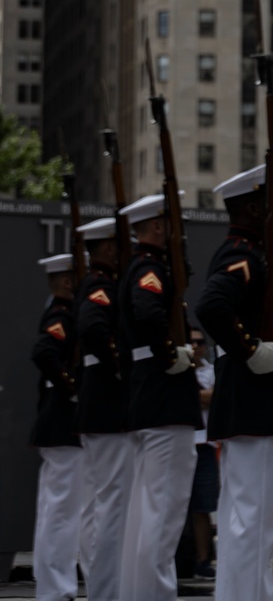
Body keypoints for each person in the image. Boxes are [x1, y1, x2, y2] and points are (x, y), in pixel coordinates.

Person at [194, 165, 273, 601]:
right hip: (253, 405)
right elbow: (212, 305)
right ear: (255, 209)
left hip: (253, 406)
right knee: (254, 524)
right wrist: (251, 348)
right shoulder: (243, 254)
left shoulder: (251, 254)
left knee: (252, 525)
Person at [117, 192, 200, 601]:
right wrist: (172, 355)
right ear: (156, 227)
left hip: (151, 402)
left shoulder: (139, 266)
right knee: (163, 519)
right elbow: (149, 313)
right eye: (171, 224)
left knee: (145, 517)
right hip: (166, 403)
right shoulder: (149, 269)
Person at [75, 217, 132, 601]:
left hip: (100, 406)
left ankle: (101, 585)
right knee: (111, 504)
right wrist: (120, 369)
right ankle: (105, 589)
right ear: (108, 248)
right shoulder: (100, 285)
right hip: (108, 405)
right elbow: (94, 329)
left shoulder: (96, 283)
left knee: (99, 502)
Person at [30, 252, 83, 601]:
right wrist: (72, 388)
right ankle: (56, 589)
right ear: (66, 282)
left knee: (56, 510)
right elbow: (44, 351)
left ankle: (53, 586)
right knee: (62, 513)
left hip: (58, 423)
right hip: (63, 422)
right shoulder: (61, 315)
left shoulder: (62, 313)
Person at [189, 329, 218, 580]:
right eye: (191, 341)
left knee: (203, 506)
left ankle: (203, 559)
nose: (196, 346)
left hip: (205, 445)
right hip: (182, 442)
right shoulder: (178, 368)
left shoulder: (212, 371)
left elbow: (213, 399)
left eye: (200, 342)